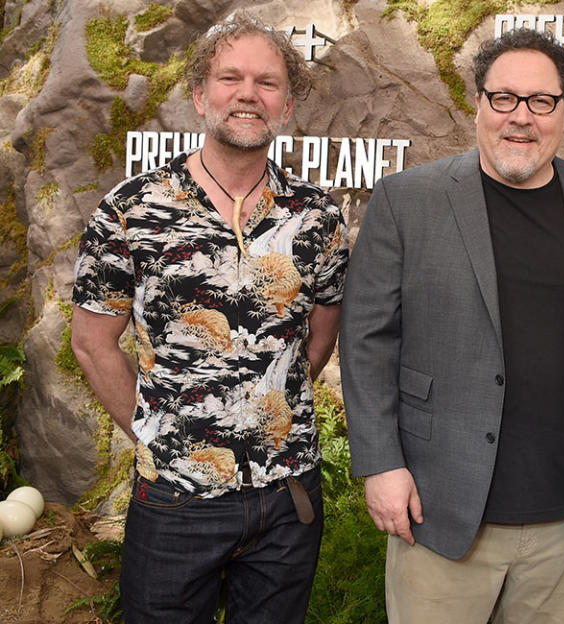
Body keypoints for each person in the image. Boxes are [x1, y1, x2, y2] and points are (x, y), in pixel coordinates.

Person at [340, 28, 564, 623]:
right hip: (440, 510)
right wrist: (380, 464)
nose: (521, 118)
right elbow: (365, 342)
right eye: (504, 97)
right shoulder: (407, 201)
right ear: (478, 103)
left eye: (541, 101)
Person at [70, 15, 348, 624]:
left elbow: (323, 324)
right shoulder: (132, 208)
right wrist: (156, 435)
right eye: (230, 77)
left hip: (287, 498)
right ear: (200, 95)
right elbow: (92, 343)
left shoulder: (316, 217)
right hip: (174, 500)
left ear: (287, 103)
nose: (249, 93)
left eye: (267, 82)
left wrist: (270, 404)